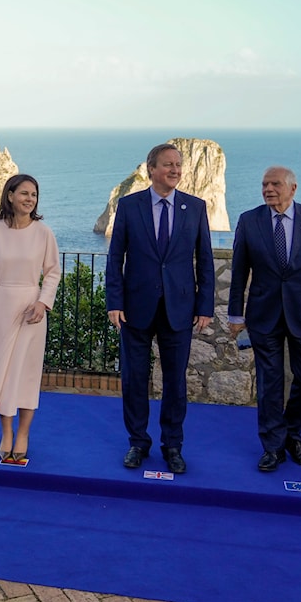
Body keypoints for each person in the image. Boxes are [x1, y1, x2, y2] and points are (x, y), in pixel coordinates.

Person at [106, 143, 214, 474]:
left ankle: (173, 445)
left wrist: (204, 305)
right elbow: (115, 258)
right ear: (151, 169)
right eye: (168, 164)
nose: (176, 170)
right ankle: (138, 442)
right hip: (135, 308)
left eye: (179, 165)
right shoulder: (129, 205)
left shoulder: (195, 207)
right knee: (135, 379)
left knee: (175, 383)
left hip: (179, 309)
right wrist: (114, 302)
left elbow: (205, 261)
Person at [228, 166, 301, 472]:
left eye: (275, 184)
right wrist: (236, 314)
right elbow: (239, 271)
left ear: (293, 188)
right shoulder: (249, 220)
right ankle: (272, 446)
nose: (268, 189)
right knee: (269, 383)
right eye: (264, 184)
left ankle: (292, 433)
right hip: (263, 316)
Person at [0, 174, 61, 462]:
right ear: (9, 196)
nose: (29, 199)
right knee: (3, 371)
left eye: (34, 194)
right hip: (2, 308)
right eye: (24, 193)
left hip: (32, 311)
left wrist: (42, 303)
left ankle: (23, 432)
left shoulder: (43, 232)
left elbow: (52, 272)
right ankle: (6, 432)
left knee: (27, 372)